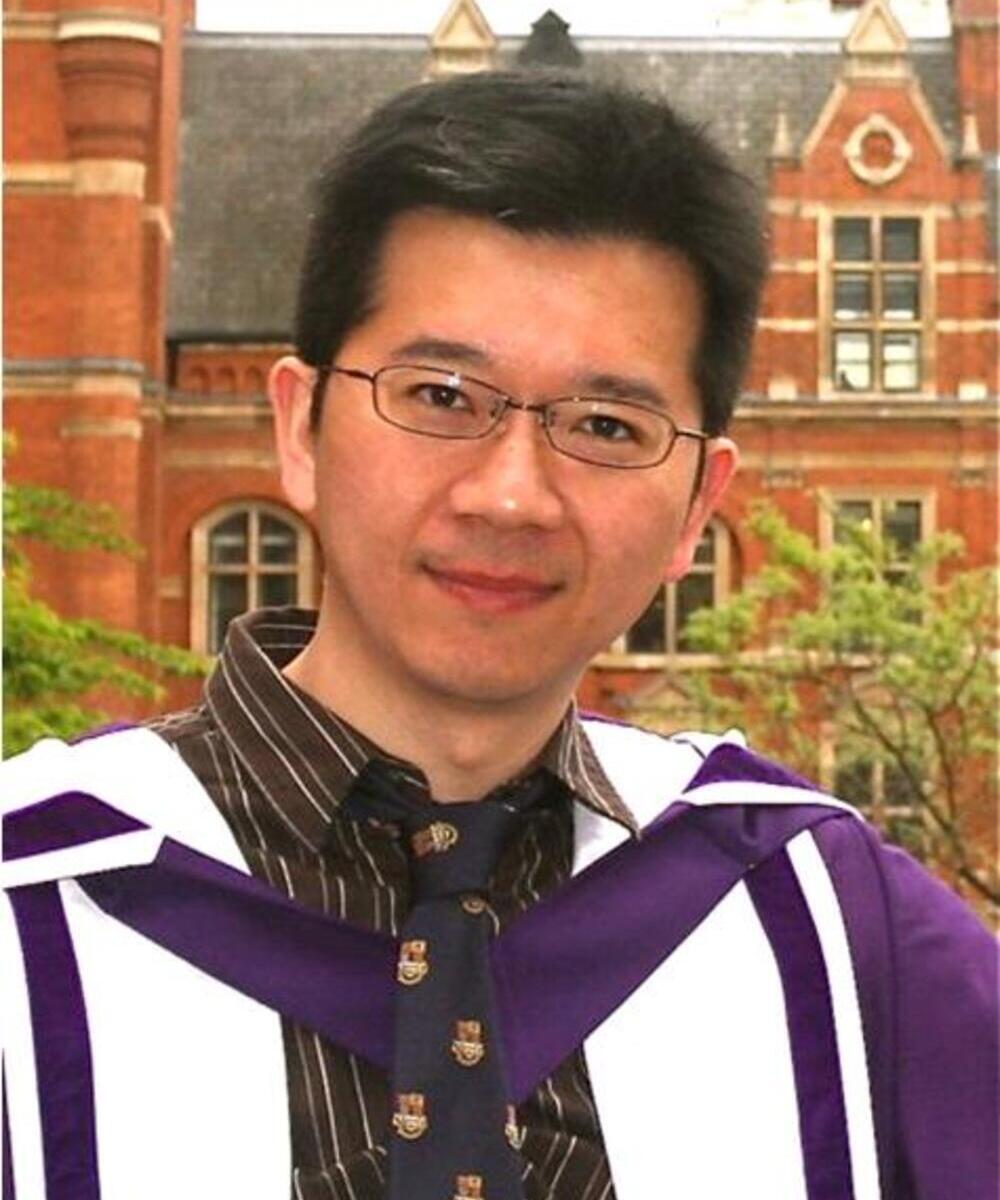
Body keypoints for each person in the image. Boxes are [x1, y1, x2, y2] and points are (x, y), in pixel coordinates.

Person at [2, 70, 995, 1200]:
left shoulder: (833, 923)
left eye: (607, 425)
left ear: (697, 509)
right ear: (299, 429)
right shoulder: (36, 896)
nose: (512, 496)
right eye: (439, 397)